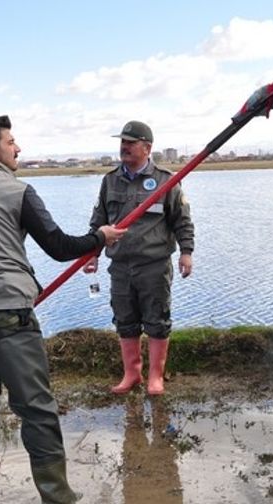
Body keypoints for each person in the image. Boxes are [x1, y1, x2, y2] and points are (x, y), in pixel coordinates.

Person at [0, 112, 125, 504]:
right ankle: (58, 498)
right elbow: (58, 246)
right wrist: (99, 237)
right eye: (11, 141)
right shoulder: (17, 191)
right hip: (7, 317)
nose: (18, 148)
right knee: (37, 410)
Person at [84, 120, 194, 396]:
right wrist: (92, 253)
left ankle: (155, 377)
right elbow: (98, 222)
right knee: (125, 319)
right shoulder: (110, 181)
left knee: (157, 320)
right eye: (122, 142)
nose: (124, 147)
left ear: (147, 147)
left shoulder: (165, 181)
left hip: (154, 265)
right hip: (120, 265)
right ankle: (131, 374)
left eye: (130, 143)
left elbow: (182, 221)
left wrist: (187, 252)